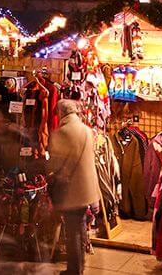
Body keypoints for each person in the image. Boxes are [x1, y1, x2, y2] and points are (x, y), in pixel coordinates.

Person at [47, 98, 99, 275]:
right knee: (80, 227)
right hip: (87, 189)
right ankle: (80, 265)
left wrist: (49, 170)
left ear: (61, 112)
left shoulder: (63, 132)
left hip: (72, 190)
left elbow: (55, 163)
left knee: (73, 231)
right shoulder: (86, 130)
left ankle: (74, 269)